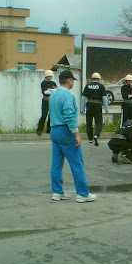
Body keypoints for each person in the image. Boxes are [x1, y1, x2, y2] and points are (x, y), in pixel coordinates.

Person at [48, 69, 96, 203]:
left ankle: (57, 192)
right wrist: (76, 134)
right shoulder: (68, 96)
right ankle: (82, 194)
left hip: (54, 130)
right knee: (77, 163)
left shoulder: (53, 95)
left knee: (56, 164)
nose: (73, 82)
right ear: (69, 80)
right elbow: (69, 116)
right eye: (72, 80)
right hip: (66, 131)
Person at [80, 72, 109, 146]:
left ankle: (90, 138)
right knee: (98, 122)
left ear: (92, 78)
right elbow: (104, 98)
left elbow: (83, 98)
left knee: (89, 122)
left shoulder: (87, 86)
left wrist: (82, 109)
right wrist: (106, 108)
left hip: (89, 105)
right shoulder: (101, 86)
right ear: (99, 79)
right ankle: (96, 135)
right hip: (97, 105)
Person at [36, 69, 58, 136]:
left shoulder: (53, 83)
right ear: (46, 76)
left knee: (51, 115)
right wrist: (51, 90)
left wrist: (50, 90)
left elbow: (56, 90)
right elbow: (44, 92)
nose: (51, 77)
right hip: (45, 100)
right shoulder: (43, 83)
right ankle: (39, 130)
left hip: (52, 100)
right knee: (44, 115)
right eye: (50, 76)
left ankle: (49, 129)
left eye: (51, 76)